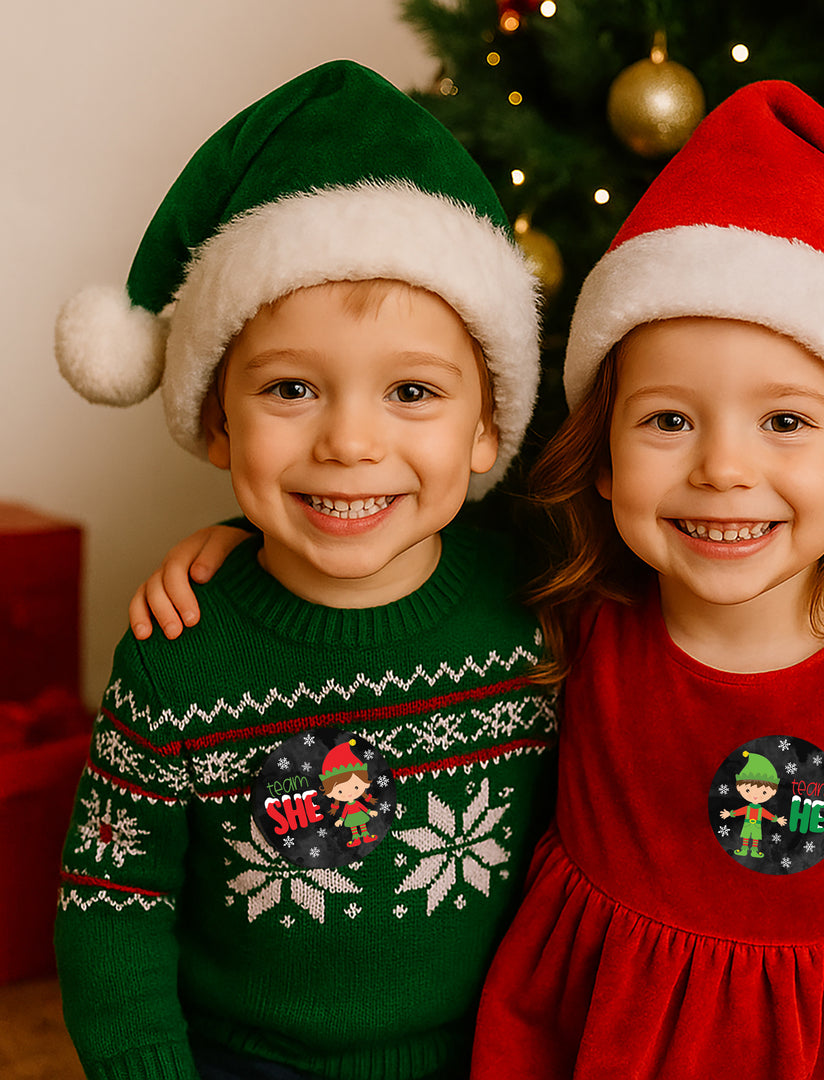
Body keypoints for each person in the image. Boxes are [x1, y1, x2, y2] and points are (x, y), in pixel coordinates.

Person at [465, 81, 824, 1077]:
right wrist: (222, 552)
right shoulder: (588, 622)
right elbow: (386, 552)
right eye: (668, 420)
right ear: (601, 459)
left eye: (784, 421)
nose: (722, 469)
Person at [52, 61, 555, 1080]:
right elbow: (113, 902)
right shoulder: (177, 657)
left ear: (487, 428)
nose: (349, 444)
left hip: (494, 1055)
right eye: (292, 389)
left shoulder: (540, 613)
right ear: (215, 423)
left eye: (412, 391)